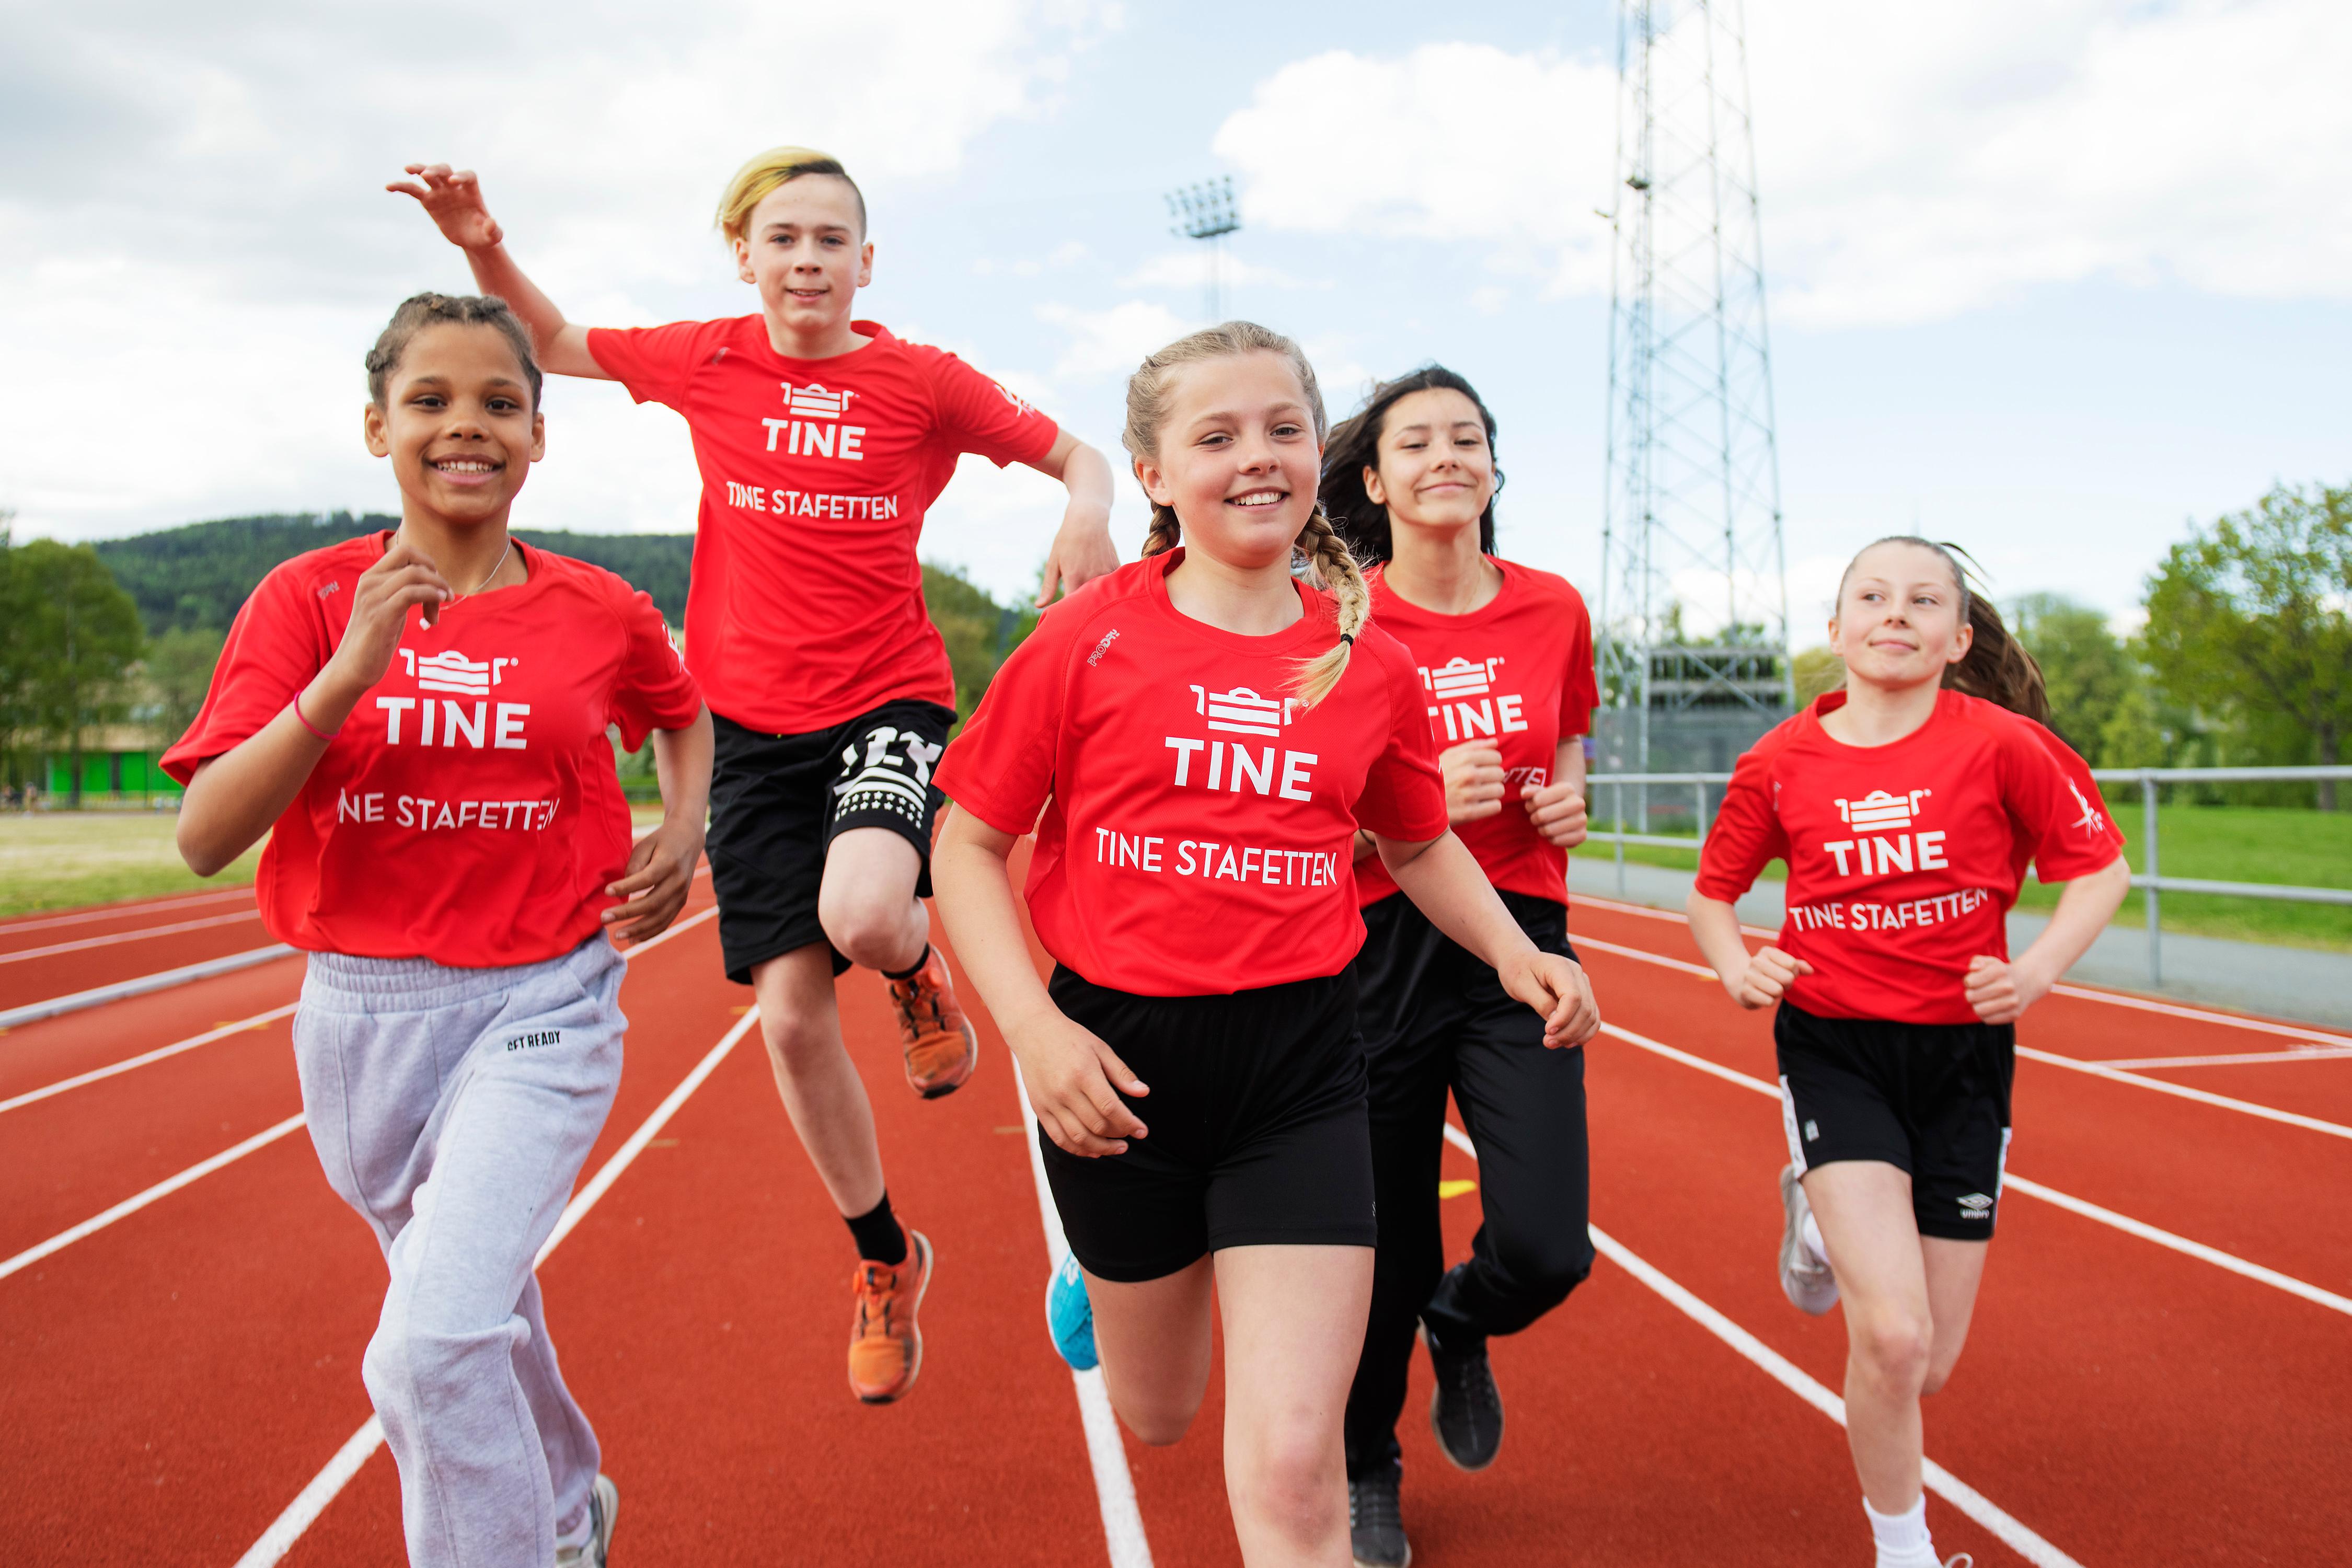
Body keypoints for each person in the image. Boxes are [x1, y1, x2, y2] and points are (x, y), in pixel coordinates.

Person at [391, 147, 1121, 1403]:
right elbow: (549, 342)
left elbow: (1082, 455)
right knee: (788, 1016)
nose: (807, 260)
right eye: (783, 239)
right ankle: (885, 1254)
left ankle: (909, 967)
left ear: (866, 262)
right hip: (749, 732)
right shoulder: (707, 359)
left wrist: (1084, 511)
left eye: (831, 240)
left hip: (886, 698)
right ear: (745, 257)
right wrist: (478, 243)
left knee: (867, 913)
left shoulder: (922, 380)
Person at [929, 322, 1601, 1568]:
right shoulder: (1083, 640)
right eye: (1217, 436)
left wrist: (1518, 955)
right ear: (1153, 473)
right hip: (1119, 1072)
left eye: (1284, 429)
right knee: (1160, 1411)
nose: (1258, 456)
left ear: (1317, 454)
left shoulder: (1366, 659)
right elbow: (966, 847)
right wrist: (1034, 1031)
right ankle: (1101, 1280)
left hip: (1302, 1071)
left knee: (1297, 1471)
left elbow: (1417, 844)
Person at [163, 292, 713, 1568]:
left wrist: (686, 829)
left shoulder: (600, 610)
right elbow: (202, 836)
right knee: (469, 1307)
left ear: (538, 437)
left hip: (545, 1000)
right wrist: (346, 672)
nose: (468, 425)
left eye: (500, 403)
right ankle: (566, 1507)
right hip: (361, 1023)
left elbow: (683, 713)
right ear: (378, 428)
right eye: (431, 400)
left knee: (429, 1346)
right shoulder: (307, 599)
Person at [1685, 537, 2131, 1568]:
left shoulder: (2007, 747)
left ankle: (1816, 1215)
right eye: (1873, 597)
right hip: (1835, 1048)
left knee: (1923, 1365)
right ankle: (1905, 1552)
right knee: (1887, 1336)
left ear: (1958, 638)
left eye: (1924, 601)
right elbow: (1713, 896)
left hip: (1965, 1059)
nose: (1896, 613)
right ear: (1836, 629)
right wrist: (1737, 965)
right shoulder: (1781, 761)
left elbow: (2101, 870)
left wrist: (2034, 973)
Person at [1316, 366, 1599, 1567]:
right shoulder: (1336, 623)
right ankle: (1367, 1466)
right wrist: (1417, 808)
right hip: (1373, 944)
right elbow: (1304, 811)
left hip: (1516, 942)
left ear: (1493, 467)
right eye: (1417, 442)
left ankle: (1462, 1316)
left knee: (1548, 1245)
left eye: (1467, 438)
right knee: (1383, 1241)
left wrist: (1570, 795)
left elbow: (1570, 729)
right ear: (1375, 483)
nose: (1447, 456)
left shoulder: (1553, 607)